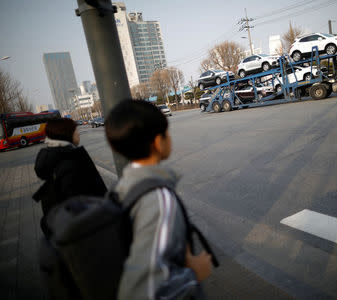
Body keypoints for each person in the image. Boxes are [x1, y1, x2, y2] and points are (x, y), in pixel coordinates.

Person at [105, 100, 212, 300]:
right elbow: (141, 291)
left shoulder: (122, 186)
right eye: (166, 132)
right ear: (157, 142)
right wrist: (194, 274)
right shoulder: (159, 200)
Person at [33, 118, 107, 236]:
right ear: (66, 134)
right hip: (89, 234)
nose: (78, 133)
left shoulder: (54, 157)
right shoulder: (71, 161)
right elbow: (81, 204)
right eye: (75, 130)